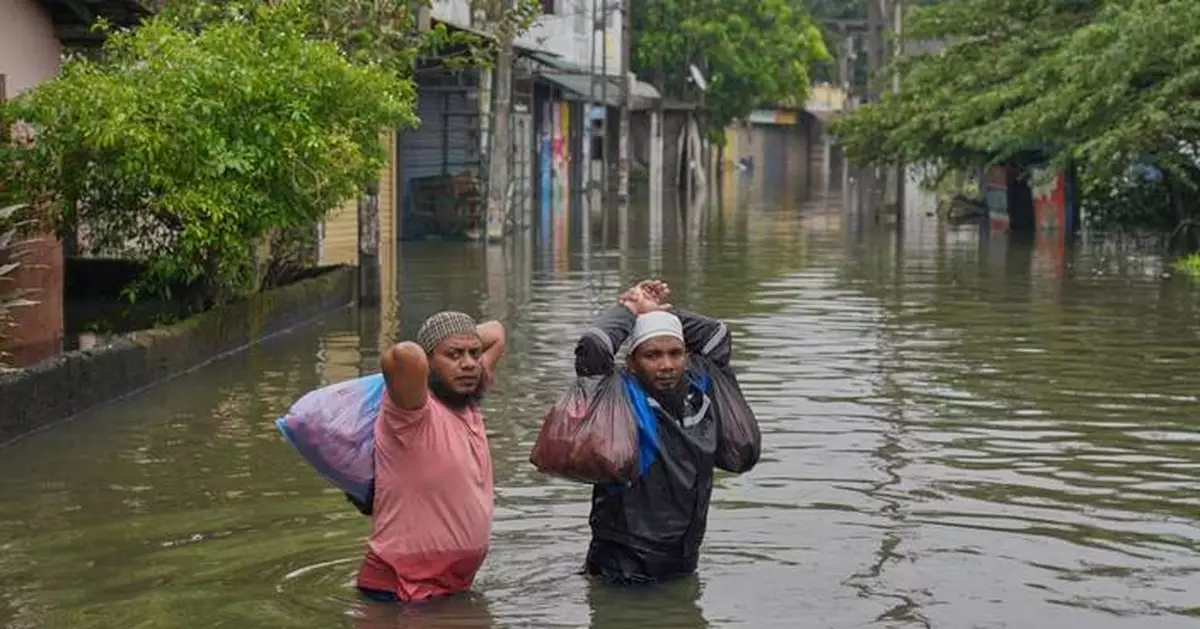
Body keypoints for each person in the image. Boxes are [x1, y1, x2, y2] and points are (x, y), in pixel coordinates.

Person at [573, 279, 746, 584]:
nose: (666, 365)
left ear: (686, 356)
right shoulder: (620, 397)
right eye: (652, 355)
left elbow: (717, 335)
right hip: (624, 565)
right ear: (632, 363)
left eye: (675, 353)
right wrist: (629, 311)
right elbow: (594, 347)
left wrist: (661, 313)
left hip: (684, 557)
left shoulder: (699, 389)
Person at [356, 311, 507, 603]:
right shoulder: (412, 411)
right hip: (398, 593)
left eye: (475, 354)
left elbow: (497, 331)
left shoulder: (468, 397)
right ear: (427, 364)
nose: (469, 364)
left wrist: (454, 339)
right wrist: (439, 339)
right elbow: (403, 355)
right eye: (454, 354)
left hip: (452, 588)